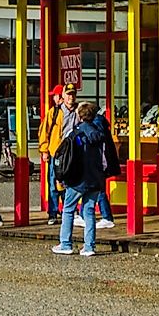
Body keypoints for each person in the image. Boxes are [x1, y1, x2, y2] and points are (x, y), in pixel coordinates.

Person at [52, 102, 110, 257]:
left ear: (79, 115)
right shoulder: (100, 134)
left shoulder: (75, 134)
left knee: (68, 209)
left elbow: (68, 157)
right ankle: (89, 247)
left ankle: (65, 243)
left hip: (78, 179)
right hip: (96, 178)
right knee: (89, 211)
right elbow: (104, 159)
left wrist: (62, 176)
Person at [38, 83, 77, 224]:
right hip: (56, 152)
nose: (71, 97)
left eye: (73, 94)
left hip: (73, 153)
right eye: (68, 94)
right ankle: (53, 213)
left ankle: (70, 211)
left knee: (71, 182)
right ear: (63, 96)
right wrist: (44, 150)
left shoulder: (79, 112)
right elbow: (44, 132)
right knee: (54, 183)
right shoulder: (54, 112)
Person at [75, 108, 118, 232]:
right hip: (99, 163)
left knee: (98, 190)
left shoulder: (93, 127)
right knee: (93, 189)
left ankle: (106, 217)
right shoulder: (99, 124)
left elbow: (97, 146)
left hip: (97, 163)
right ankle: (85, 215)